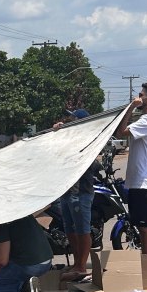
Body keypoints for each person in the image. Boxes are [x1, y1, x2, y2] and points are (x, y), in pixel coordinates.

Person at [114, 80, 147, 259]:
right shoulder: (146, 120)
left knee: (146, 227)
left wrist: (130, 106)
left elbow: (121, 131)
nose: (138, 98)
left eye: (141, 95)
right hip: (138, 183)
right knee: (141, 228)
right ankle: (145, 268)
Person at [53, 108, 98, 281]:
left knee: (81, 229)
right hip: (66, 189)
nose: (69, 120)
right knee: (69, 228)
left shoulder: (88, 140)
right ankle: (76, 262)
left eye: (73, 118)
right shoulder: (69, 138)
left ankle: (81, 265)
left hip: (81, 191)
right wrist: (58, 133)